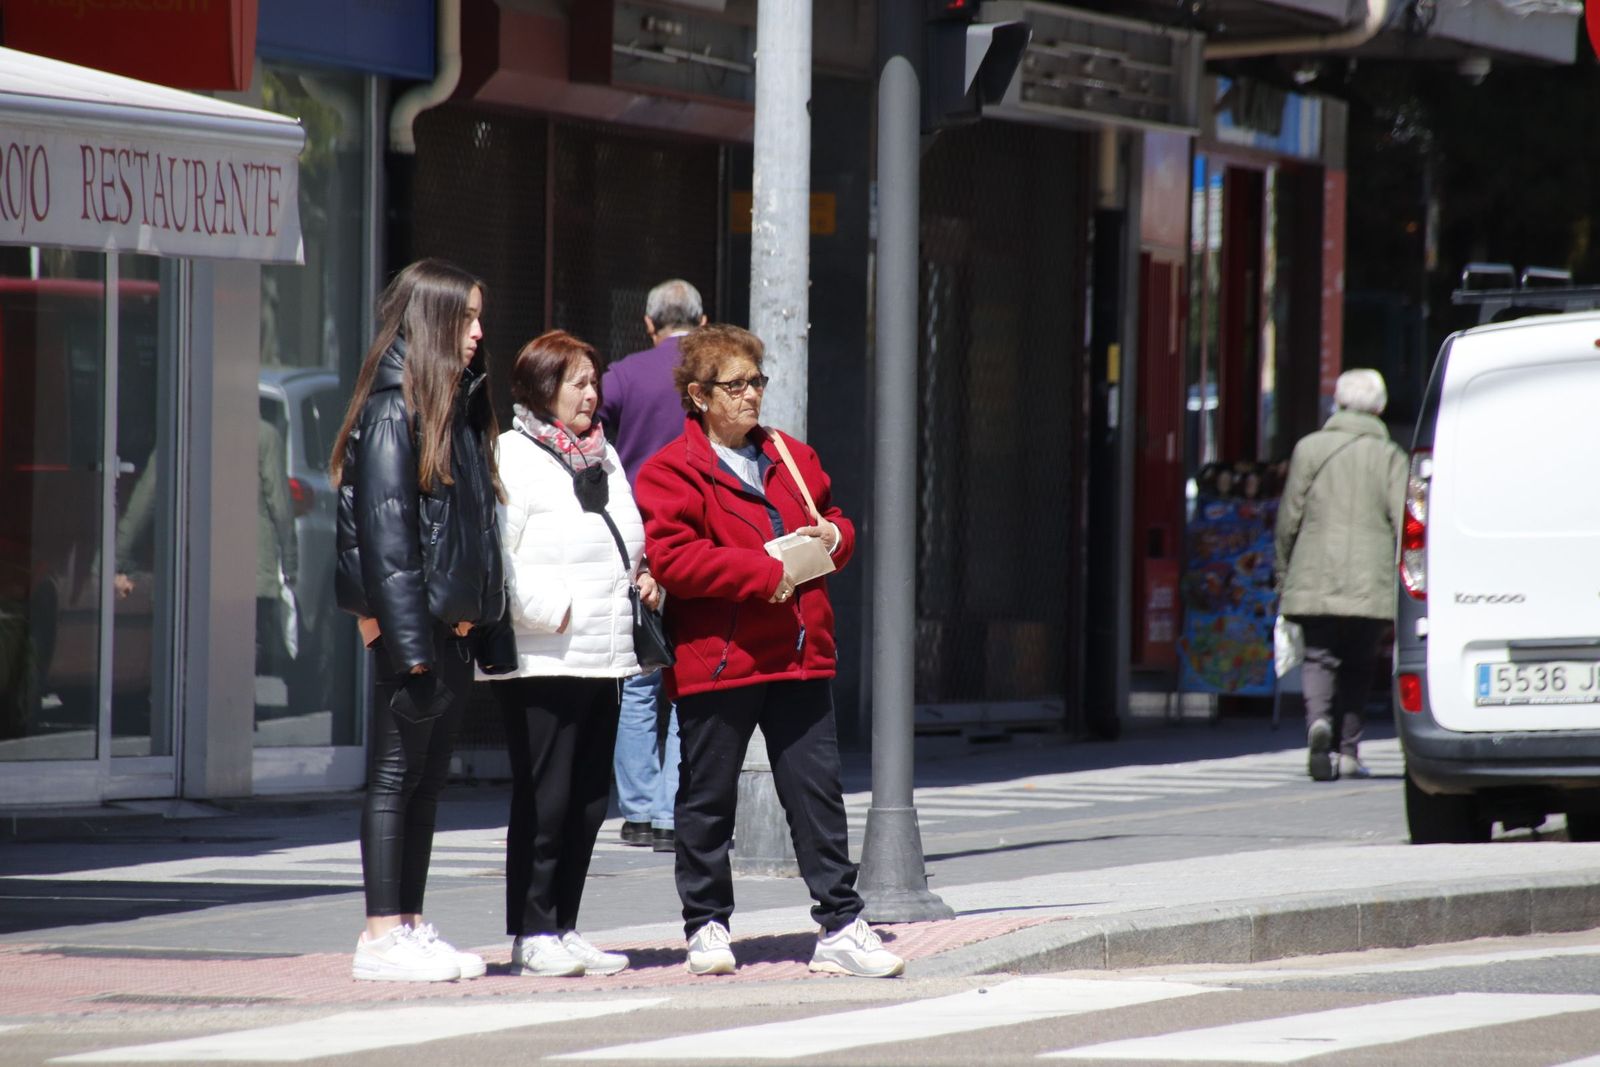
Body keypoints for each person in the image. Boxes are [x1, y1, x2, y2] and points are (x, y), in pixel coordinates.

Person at [634, 323, 904, 980]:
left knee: (817, 794)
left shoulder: (791, 455)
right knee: (707, 798)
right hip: (719, 656)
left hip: (798, 651)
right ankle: (706, 922)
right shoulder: (672, 470)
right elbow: (674, 558)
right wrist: (763, 571)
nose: (752, 394)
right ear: (699, 394)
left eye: (757, 380)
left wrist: (833, 538)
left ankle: (840, 922)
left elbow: (837, 519)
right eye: (736, 384)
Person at [330, 258, 505, 982]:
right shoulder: (392, 408)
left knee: (427, 781)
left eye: (478, 317)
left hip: (447, 630)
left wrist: (473, 623)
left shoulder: (448, 407)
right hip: (416, 635)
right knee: (396, 775)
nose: (476, 333)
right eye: (464, 318)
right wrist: (410, 649)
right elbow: (386, 538)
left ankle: (408, 921)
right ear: (431, 322)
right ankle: (379, 933)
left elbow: (469, 532)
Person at [483, 328, 661, 978]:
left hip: (604, 650)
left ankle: (565, 922)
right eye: (578, 381)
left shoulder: (604, 456)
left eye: (594, 380)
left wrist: (644, 578)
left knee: (589, 797)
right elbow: (496, 556)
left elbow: (629, 535)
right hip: (542, 656)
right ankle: (531, 930)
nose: (592, 393)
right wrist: (551, 609)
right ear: (542, 387)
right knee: (545, 797)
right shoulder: (512, 454)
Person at [596, 278, 706, 853]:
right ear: (702, 321)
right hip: (699, 537)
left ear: (648, 323)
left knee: (639, 678)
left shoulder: (623, 375)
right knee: (692, 674)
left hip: (638, 538)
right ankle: (672, 809)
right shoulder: (710, 374)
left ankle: (639, 810)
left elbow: (589, 431)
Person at [1274, 368, 1407, 782]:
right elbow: (1406, 520)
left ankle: (1318, 724)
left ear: (1338, 401)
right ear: (1380, 407)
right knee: (1359, 664)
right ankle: (1348, 753)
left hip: (1315, 570)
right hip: (1372, 578)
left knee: (1318, 656)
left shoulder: (1309, 449)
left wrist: (1283, 571)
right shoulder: (1391, 456)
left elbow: (1289, 517)